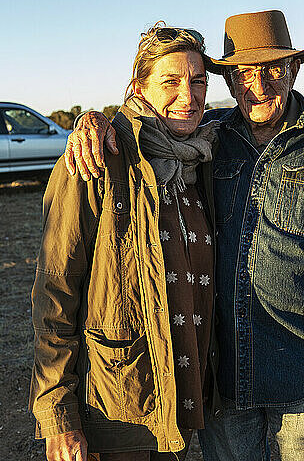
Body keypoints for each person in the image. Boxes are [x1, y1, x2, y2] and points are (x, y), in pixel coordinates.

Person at [64, 10, 304, 461]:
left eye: (273, 71)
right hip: (226, 379)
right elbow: (142, 131)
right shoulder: (208, 139)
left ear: (295, 69)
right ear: (227, 79)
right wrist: (93, 121)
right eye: (243, 73)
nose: (258, 87)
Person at [29, 23, 221, 461]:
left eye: (197, 81)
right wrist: (58, 414)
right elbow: (54, 291)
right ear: (139, 87)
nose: (187, 97)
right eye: (170, 81)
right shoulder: (96, 159)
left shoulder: (205, 155)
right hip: (116, 404)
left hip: (184, 395)